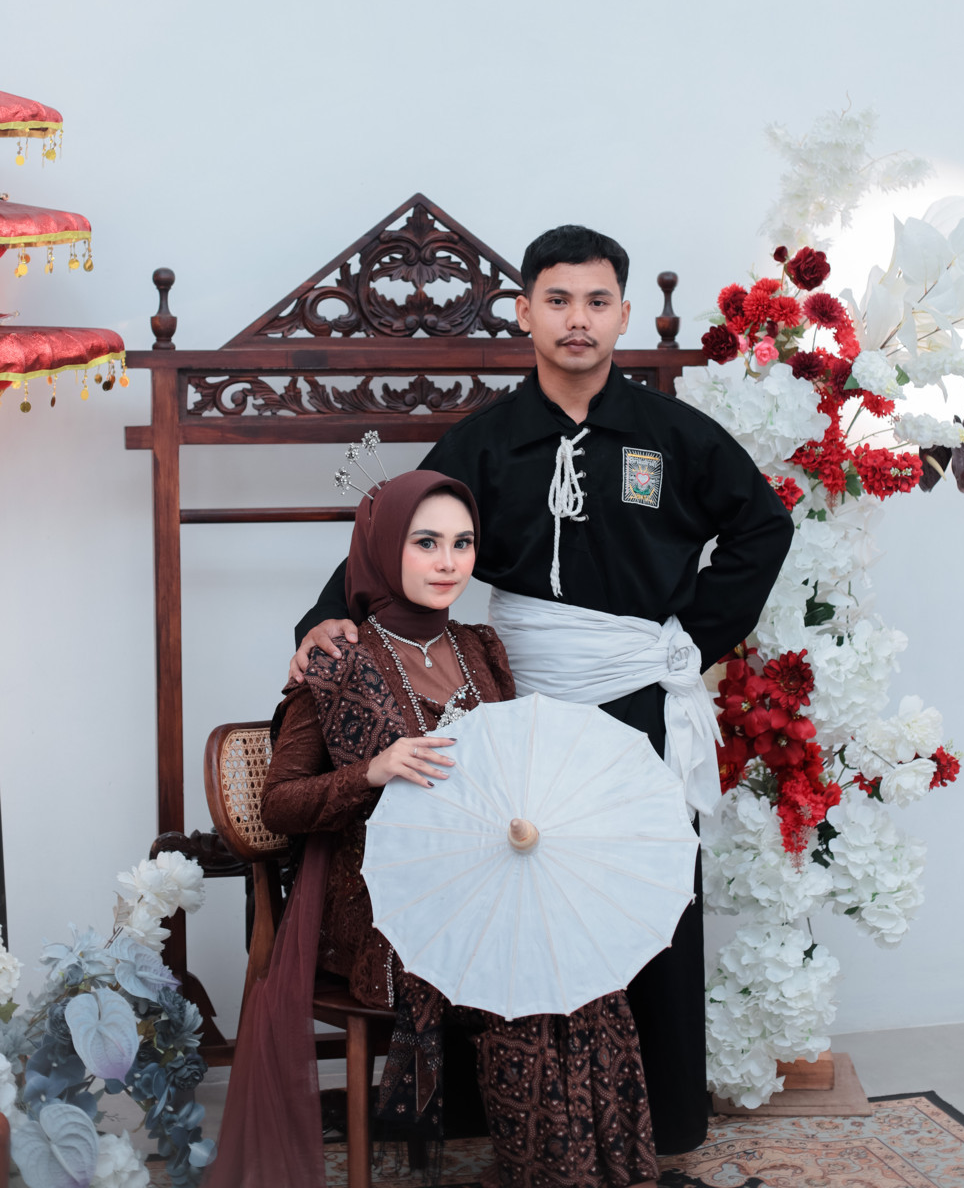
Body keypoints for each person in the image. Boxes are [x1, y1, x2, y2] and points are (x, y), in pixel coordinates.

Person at [292, 225, 795, 1155]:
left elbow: (763, 524)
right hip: (511, 697)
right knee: (511, 881)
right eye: (557, 301)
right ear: (524, 312)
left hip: (636, 693)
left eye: (597, 301)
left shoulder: (673, 434)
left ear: (623, 315)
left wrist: (690, 636)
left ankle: (662, 1115)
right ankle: (496, 1110)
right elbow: (400, 529)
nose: (577, 320)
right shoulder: (486, 440)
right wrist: (328, 617)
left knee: (640, 886)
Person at [211, 469, 659, 1188]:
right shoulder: (336, 660)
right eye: (425, 543)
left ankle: (605, 1172)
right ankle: (552, 1175)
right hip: (387, 909)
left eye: (462, 543)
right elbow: (280, 804)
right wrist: (373, 770)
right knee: (530, 978)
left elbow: (507, 767)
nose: (448, 562)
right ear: (384, 548)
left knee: (583, 970)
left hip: (486, 883)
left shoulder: (482, 648)